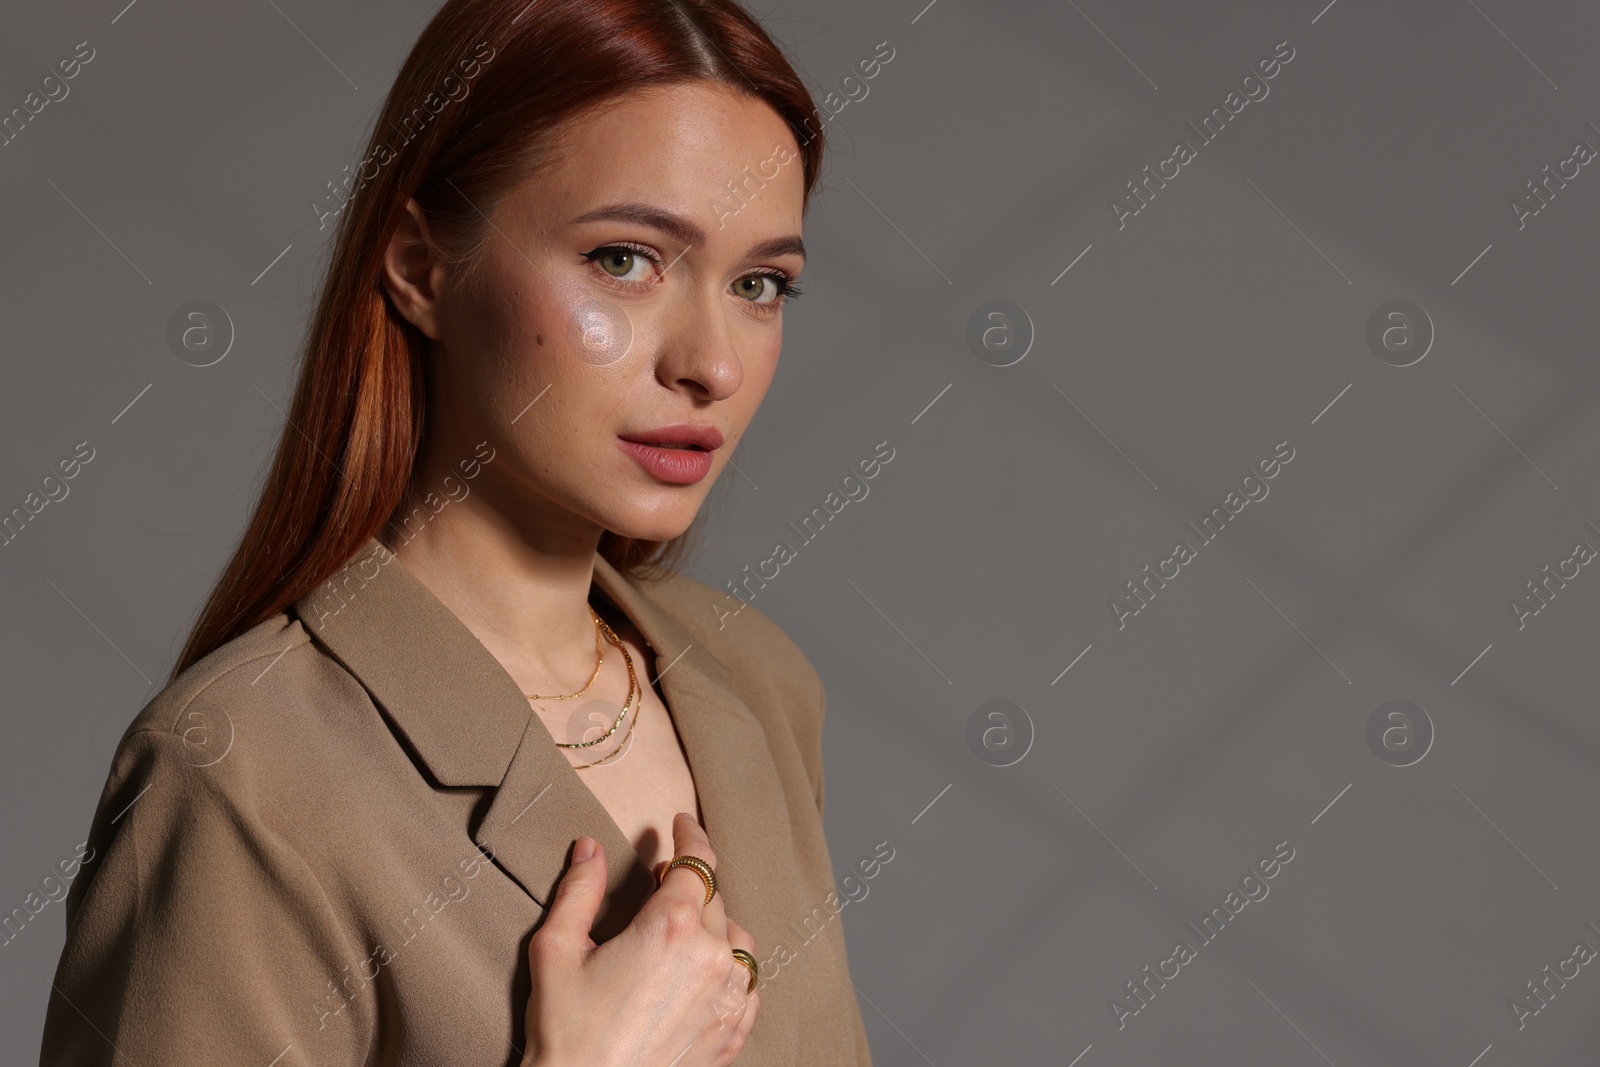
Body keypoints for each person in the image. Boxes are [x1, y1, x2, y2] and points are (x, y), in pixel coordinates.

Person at [37, 1, 873, 1064]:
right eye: (625, 259)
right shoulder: (242, 775)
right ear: (421, 269)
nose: (710, 361)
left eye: (760, 284)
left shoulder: (755, 682)